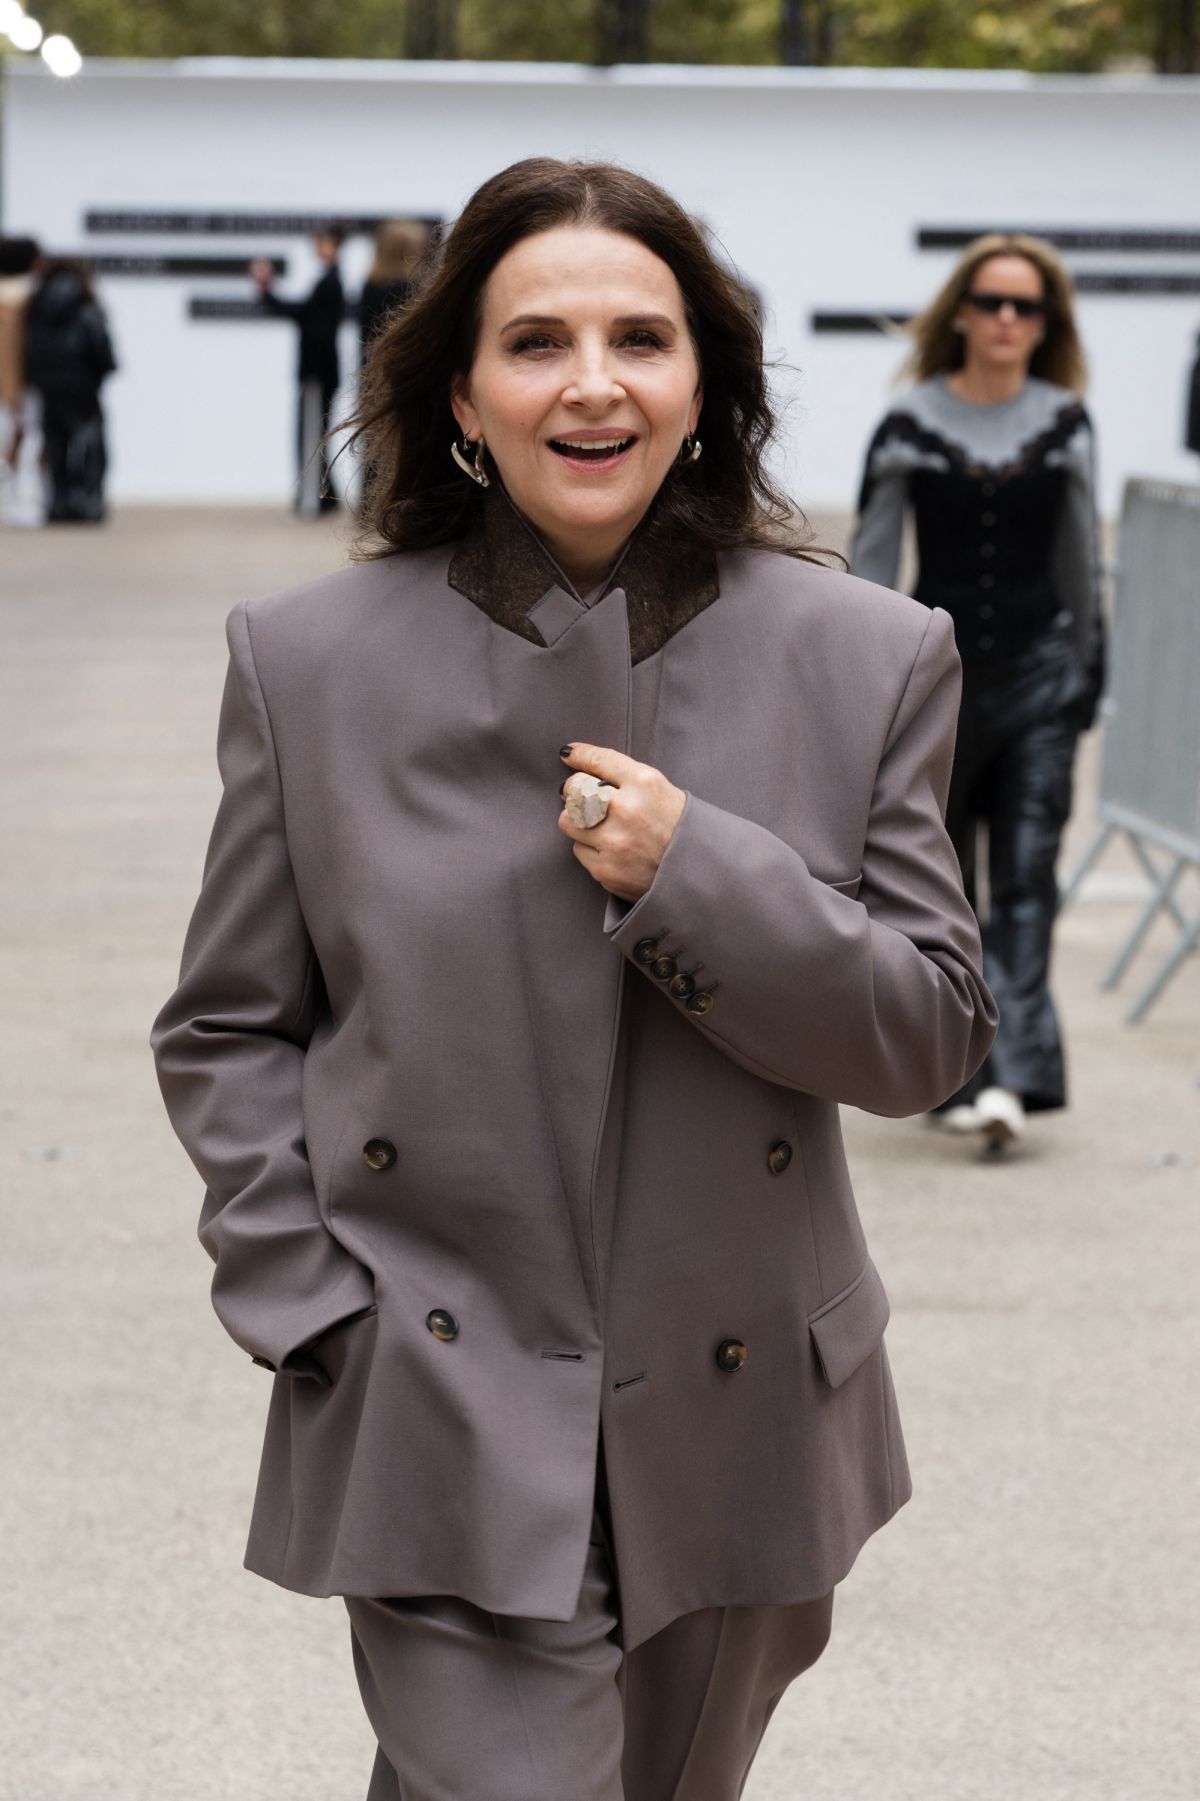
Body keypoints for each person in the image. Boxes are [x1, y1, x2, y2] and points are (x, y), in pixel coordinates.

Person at [152, 158, 996, 1801]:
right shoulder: (308, 663)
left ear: (708, 385)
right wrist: (314, 1309)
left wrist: (703, 874)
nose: (594, 382)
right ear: (460, 391)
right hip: (438, 1398)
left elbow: (929, 1034)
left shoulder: (869, 657)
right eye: (537, 341)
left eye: (642, 337)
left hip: (739, 1410)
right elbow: (233, 1022)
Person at [851, 232, 1104, 1155]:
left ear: (1046, 325)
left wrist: (1088, 671)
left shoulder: (1066, 422)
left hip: (1041, 678)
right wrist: (863, 692)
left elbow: (1081, 558)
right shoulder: (909, 421)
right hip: (937, 690)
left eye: (1025, 306)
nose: (1006, 319)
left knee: (1029, 873)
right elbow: (874, 568)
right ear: (960, 311)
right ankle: (952, 1068)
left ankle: (1018, 1076)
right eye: (991, 301)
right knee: (940, 884)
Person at [251, 226, 345, 517]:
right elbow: (303, 313)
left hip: (318, 373)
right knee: (314, 434)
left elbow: (306, 317)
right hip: (317, 372)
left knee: (311, 434)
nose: (317, 247)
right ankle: (324, 497)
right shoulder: (327, 281)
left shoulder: (330, 283)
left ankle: (314, 500)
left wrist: (268, 290)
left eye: (322, 242)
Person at [23, 257, 117, 525]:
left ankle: (59, 503)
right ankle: (87, 502)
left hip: (49, 387)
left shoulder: (36, 306)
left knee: (56, 445)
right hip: (83, 388)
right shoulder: (86, 307)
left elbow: (28, 349)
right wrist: (105, 368)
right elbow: (100, 346)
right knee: (90, 445)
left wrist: (35, 377)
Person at [0, 235, 42, 526]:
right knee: (26, 441)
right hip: (24, 381)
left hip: (13, 383)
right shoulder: (31, 296)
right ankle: (21, 499)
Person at [358, 218, 428, 358]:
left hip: (373, 363)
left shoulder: (371, 285)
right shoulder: (413, 289)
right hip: (404, 363)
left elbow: (366, 335)